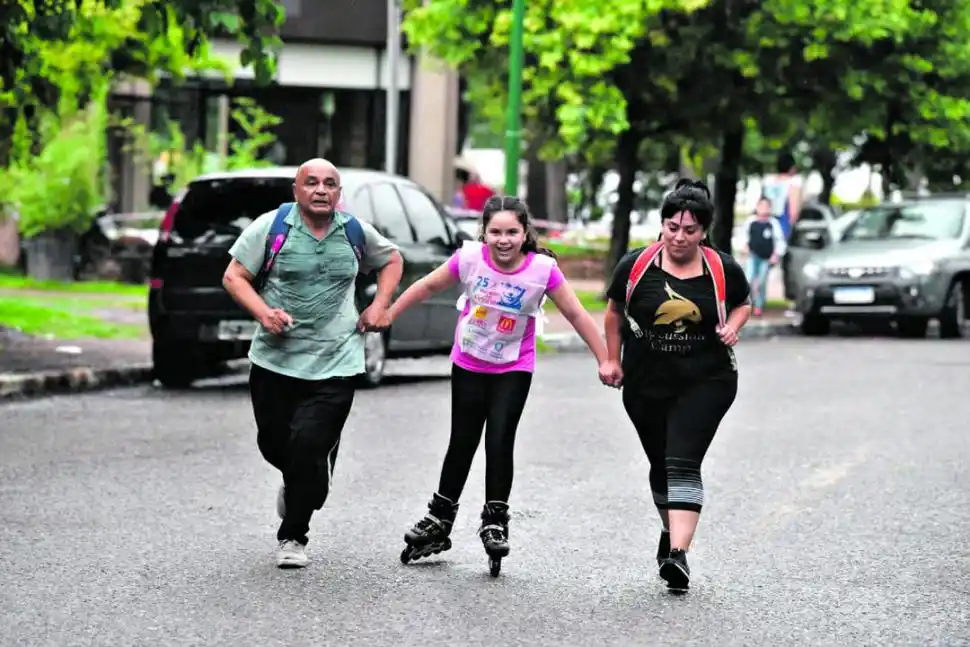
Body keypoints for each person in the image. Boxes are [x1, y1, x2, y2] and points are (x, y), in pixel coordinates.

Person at [378, 195, 621, 574]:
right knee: (462, 440)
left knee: (499, 440)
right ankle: (440, 517)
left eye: (512, 232)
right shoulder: (470, 258)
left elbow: (575, 313)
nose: (503, 240)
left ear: (525, 233)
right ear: (484, 233)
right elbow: (426, 287)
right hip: (469, 361)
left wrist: (605, 358)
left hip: (513, 366)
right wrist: (389, 313)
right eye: (495, 232)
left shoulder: (543, 270)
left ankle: (495, 520)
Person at [222, 158, 404, 569]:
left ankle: (293, 535)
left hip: (336, 359)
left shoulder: (354, 231)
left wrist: (379, 304)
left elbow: (392, 260)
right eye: (311, 183)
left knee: (308, 450)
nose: (321, 190)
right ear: (296, 190)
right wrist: (264, 313)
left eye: (330, 184)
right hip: (274, 360)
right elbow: (234, 276)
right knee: (274, 443)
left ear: (339, 193)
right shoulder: (272, 227)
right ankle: (304, 477)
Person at [603, 179, 752, 592]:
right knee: (660, 464)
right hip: (645, 382)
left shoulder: (722, 269)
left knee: (682, 461)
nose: (679, 237)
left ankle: (679, 555)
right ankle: (672, 533)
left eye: (689, 230)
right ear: (662, 225)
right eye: (672, 227)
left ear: (704, 231)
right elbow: (614, 312)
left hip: (708, 380)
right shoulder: (636, 266)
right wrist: (611, 358)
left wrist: (733, 327)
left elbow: (743, 302)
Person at [742, 196, 786, 316]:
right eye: (761, 206)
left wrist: (776, 254)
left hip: (766, 257)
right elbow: (745, 237)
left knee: (761, 281)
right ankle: (748, 303)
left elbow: (779, 240)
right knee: (749, 278)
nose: (763, 209)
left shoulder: (773, 223)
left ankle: (759, 305)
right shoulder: (751, 222)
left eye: (766, 206)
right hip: (753, 255)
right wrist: (745, 247)